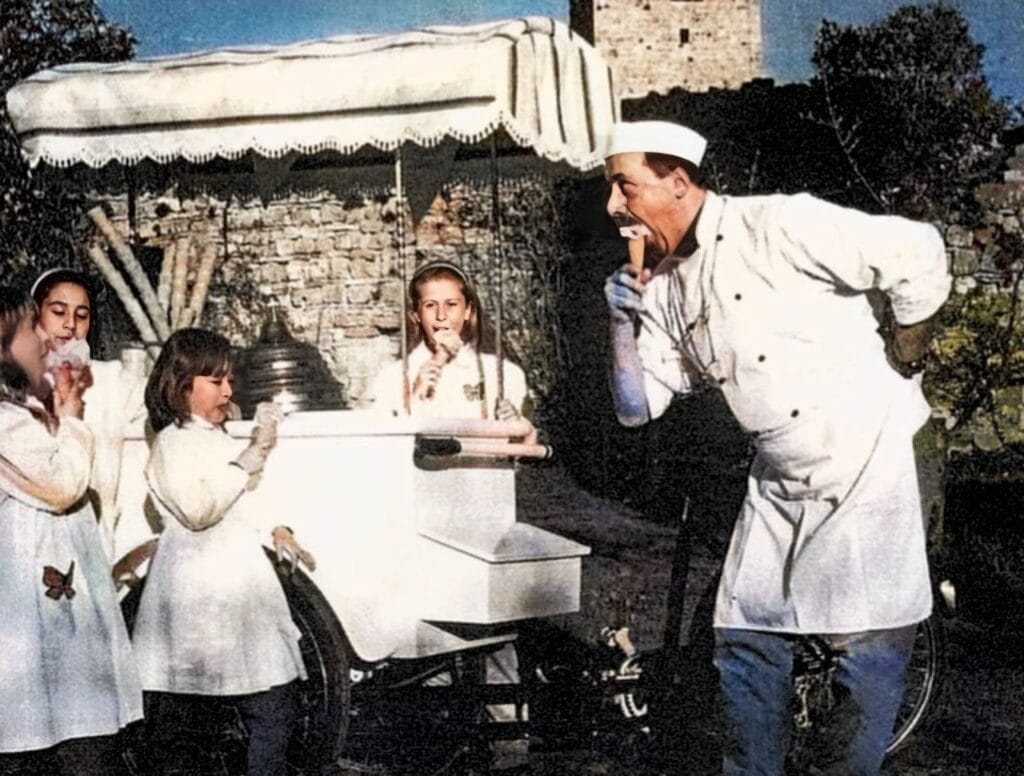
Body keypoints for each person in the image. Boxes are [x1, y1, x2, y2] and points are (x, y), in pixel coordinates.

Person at [601, 120, 951, 775]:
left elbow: (920, 252)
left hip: (864, 462)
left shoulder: (781, 226)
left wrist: (905, 358)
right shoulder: (670, 284)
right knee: (742, 639)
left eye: (625, 186)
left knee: (865, 663)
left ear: (678, 183)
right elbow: (635, 406)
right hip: (779, 482)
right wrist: (621, 323)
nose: (613, 206)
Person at [129, 328, 314, 776]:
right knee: (190, 714)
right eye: (215, 381)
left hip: (239, 584)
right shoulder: (173, 443)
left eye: (228, 380)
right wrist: (251, 455)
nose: (228, 391)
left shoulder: (216, 439)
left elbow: (242, 500)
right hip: (197, 590)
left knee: (274, 699)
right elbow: (199, 509)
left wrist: (277, 528)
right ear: (181, 385)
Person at [0, 286, 142, 775]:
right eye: (30, 331)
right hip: (30, 617)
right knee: (41, 738)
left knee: (77, 734)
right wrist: (72, 416)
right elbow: (61, 485)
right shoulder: (4, 423)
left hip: (61, 610)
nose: (46, 338)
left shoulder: (25, 414)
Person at [32, 267, 148, 560]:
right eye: (58, 312)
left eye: (81, 316)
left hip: (97, 540)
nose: (70, 324)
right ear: (35, 316)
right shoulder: (18, 384)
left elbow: (161, 405)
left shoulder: (111, 380)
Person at [369, 259, 531, 425]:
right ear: (416, 316)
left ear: (468, 311)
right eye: (430, 305)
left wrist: (514, 424)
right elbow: (386, 440)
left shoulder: (503, 373)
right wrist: (414, 397)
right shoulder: (391, 378)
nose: (441, 315)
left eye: (451, 304)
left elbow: (521, 443)